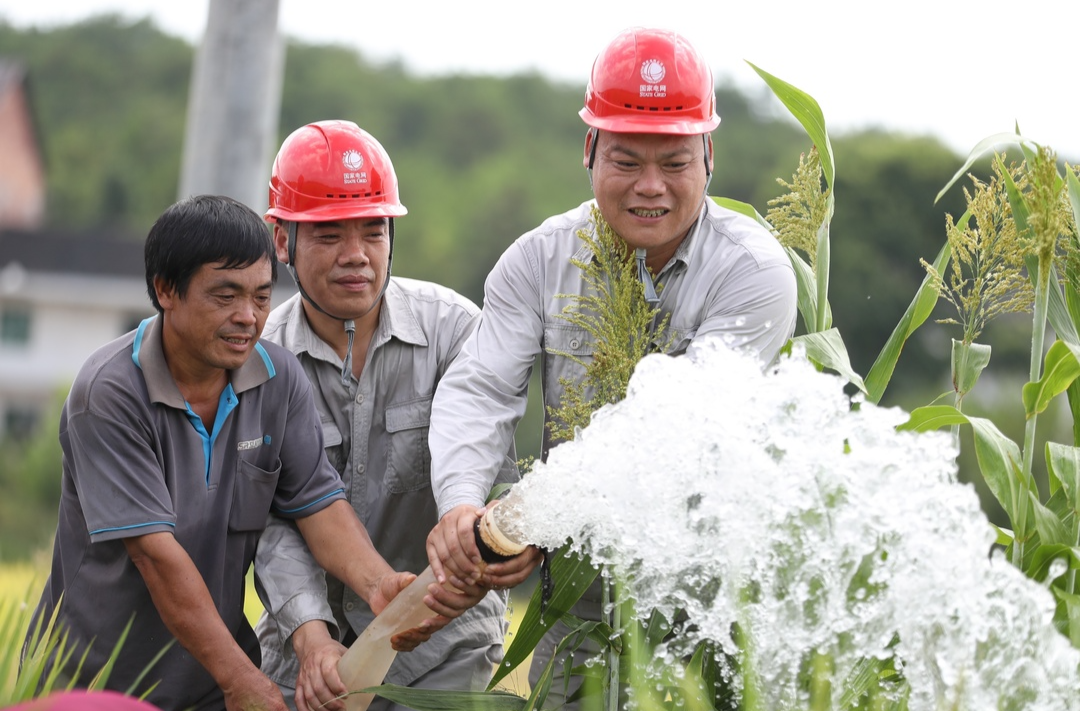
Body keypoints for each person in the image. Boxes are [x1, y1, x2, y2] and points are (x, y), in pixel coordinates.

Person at [424, 27, 799, 708]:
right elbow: (480, 391)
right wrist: (462, 510)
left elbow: (672, 429)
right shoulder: (538, 260)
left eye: (675, 162)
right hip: (579, 606)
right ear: (589, 150)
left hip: (707, 603)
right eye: (626, 159)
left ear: (709, 156)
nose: (649, 188)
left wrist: (528, 518)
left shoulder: (753, 273)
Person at [25, 195, 435, 711]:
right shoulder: (108, 393)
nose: (248, 317)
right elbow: (155, 555)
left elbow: (319, 506)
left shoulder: (278, 378)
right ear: (165, 290)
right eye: (225, 296)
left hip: (207, 687)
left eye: (262, 297)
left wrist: (379, 586)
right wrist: (244, 681)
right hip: (94, 685)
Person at [252, 120, 537, 711]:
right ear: (282, 241)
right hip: (311, 649)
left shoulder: (455, 330)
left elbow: (493, 476)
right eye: (329, 234)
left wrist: (502, 553)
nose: (356, 256)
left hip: (443, 646)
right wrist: (310, 637)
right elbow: (270, 524)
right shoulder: (259, 359)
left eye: (373, 231)